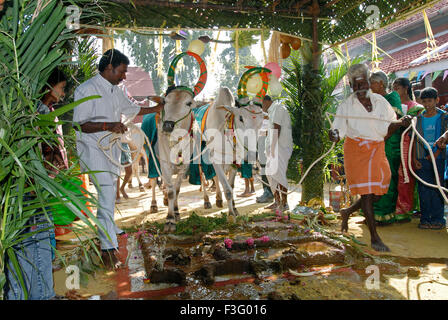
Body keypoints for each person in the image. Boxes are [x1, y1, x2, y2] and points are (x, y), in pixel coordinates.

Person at [73, 49, 164, 269]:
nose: (124, 77)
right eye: (122, 72)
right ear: (108, 68)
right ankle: (107, 248)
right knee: (105, 193)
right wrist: (108, 125)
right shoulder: (86, 89)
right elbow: (80, 124)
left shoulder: (115, 90)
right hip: (94, 149)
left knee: (110, 191)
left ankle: (110, 227)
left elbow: (132, 109)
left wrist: (157, 108)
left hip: (111, 149)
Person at [329, 64, 411, 252]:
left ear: (369, 82)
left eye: (363, 83)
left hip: (376, 148)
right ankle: (375, 237)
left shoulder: (381, 102)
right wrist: (333, 134)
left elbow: (387, 129)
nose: (360, 88)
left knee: (375, 193)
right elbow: (337, 129)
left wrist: (401, 123)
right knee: (366, 192)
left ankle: (347, 211)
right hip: (356, 149)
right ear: (351, 86)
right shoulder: (346, 105)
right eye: (356, 85)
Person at [5, 68, 68, 300]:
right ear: (47, 85)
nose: (63, 92)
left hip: (30, 192)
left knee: (26, 252)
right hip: (32, 193)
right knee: (35, 247)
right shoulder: (37, 114)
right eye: (61, 86)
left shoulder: (38, 111)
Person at [369, 70, 407, 224]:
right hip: (373, 143)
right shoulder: (372, 100)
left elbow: (395, 123)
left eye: (372, 83)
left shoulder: (392, 97)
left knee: (387, 177)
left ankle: (384, 214)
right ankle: (371, 212)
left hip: (388, 144)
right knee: (372, 177)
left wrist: (381, 138)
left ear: (381, 84)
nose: (369, 86)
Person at [413, 87, 448, 230]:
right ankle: (425, 218)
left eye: (430, 101)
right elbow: (414, 139)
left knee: (437, 188)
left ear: (437, 100)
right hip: (422, 158)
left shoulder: (444, 117)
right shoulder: (419, 118)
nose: (427, 104)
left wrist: (436, 154)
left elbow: (444, 140)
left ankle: (438, 219)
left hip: (438, 159)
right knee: (423, 188)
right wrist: (415, 158)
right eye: (424, 101)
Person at [393, 78, 424, 218]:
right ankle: (392, 206)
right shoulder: (392, 104)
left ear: (406, 88)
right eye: (393, 88)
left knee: (404, 175)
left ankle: (405, 207)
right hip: (392, 142)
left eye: (397, 88)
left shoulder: (416, 107)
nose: (395, 91)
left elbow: (419, 128)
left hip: (408, 143)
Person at [263, 95, 293, 212]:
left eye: (262, 104)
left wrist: (273, 148)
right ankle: (277, 201)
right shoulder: (271, 111)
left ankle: (284, 203)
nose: (262, 107)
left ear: (266, 101)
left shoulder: (278, 108)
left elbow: (276, 128)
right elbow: (271, 131)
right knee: (270, 173)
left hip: (280, 147)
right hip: (274, 148)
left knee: (279, 173)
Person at [256, 113, 274, 203]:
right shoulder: (259, 120)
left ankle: (270, 193)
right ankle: (266, 192)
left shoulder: (271, 120)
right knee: (263, 170)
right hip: (261, 145)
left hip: (267, 146)